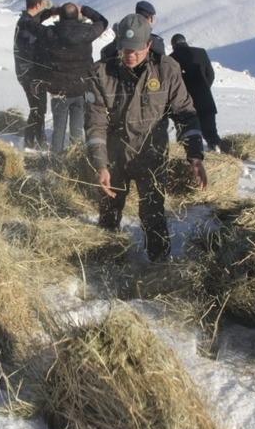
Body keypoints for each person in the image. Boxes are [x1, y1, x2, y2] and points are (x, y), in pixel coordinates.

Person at [86, 14, 208, 262]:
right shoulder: (101, 73)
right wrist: (100, 164)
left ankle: (159, 263)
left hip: (152, 156)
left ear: (148, 45)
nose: (130, 55)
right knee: (109, 211)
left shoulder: (167, 70)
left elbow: (185, 114)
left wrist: (195, 156)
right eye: (124, 49)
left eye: (136, 50)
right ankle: (108, 261)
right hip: (115, 158)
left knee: (153, 213)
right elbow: (95, 123)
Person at [40, 3, 108, 153]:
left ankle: (56, 161)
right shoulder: (87, 32)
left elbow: (32, 24)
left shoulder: (50, 33)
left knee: (58, 129)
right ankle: (74, 159)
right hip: (81, 87)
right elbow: (103, 22)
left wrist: (51, 11)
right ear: (77, 15)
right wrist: (86, 10)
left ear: (60, 15)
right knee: (77, 130)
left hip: (59, 89)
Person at [13, 0, 56, 149]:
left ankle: (32, 139)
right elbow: (31, 50)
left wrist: (52, 10)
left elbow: (39, 18)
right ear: (38, 5)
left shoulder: (27, 19)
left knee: (38, 107)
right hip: (29, 74)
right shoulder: (27, 27)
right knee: (38, 107)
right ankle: (36, 139)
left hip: (31, 73)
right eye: (43, 4)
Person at [170, 34, 220, 151]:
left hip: (185, 102)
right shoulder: (201, 52)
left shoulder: (171, 58)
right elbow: (211, 75)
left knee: (187, 133)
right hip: (205, 98)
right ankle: (215, 148)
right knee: (210, 130)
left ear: (173, 45)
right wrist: (204, 89)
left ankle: (188, 156)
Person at [100, 0, 165, 61]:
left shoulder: (121, 39)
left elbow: (105, 54)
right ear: (149, 19)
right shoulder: (155, 42)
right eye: (152, 19)